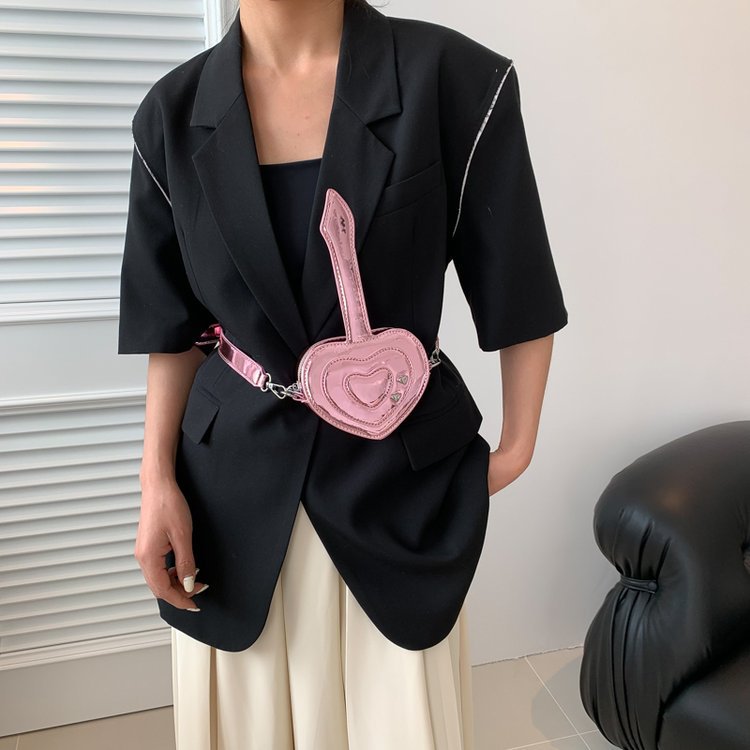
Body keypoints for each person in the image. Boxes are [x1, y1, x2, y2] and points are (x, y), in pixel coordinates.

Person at [117, 0, 569, 747]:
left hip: (399, 488)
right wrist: (154, 481)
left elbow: (517, 285)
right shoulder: (170, 114)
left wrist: (516, 448)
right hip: (229, 497)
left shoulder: (454, 78)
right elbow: (172, 329)